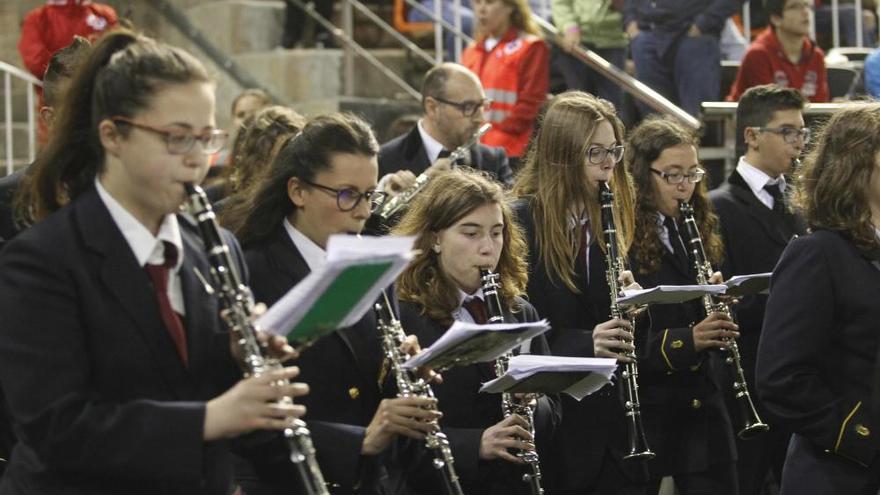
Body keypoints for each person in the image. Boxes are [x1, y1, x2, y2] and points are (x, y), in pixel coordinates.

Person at [0, 29, 311, 494]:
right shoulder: (41, 259)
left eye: (205, 139)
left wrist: (243, 366)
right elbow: (57, 428)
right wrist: (210, 418)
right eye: (176, 138)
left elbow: (211, 402)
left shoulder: (217, 249)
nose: (196, 161)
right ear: (113, 136)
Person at [233, 113, 441, 495]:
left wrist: (404, 374)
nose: (363, 212)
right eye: (347, 195)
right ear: (298, 192)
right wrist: (355, 441)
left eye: (369, 195)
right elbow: (242, 418)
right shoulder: (251, 271)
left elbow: (369, 390)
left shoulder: (369, 263)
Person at [392, 168, 560, 494]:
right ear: (435, 238)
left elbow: (553, 410)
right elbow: (396, 433)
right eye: (471, 234)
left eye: (496, 233)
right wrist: (475, 445)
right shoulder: (405, 317)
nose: (488, 248)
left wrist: (532, 401)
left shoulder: (519, 311)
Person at [511, 90, 646, 495]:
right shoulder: (520, 222)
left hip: (617, 428)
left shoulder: (611, 216)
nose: (608, 163)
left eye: (614, 150)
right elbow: (516, 330)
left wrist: (637, 305)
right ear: (562, 155)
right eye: (594, 152)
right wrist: (588, 343)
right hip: (561, 432)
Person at [756, 103, 880, 495]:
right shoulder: (818, 252)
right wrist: (862, 436)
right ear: (857, 164)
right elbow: (781, 379)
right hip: (840, 474)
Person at [625, 116, 739, 494]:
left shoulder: (697, 227)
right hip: (651, 408)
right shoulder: (619, 237)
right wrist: (689, 338)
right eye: (672, 175)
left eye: (692, 174)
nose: (685, 186)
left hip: (703, 406)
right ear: (643, 176)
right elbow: (630, 338)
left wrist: (720, 304)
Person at [709, 83, 809, 495]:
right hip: (747, 376)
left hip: (800, 378)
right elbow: (724, 298)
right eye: (787, 132)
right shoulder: (718, 205)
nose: (798, 143)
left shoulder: (801, 203)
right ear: (751, 135)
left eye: (802, 132)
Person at [0, 36, 91, 250]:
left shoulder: (135, 197)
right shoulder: (7, 199)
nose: (93, 119)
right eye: (78, 111)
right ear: (50, 118)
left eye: (100, 105)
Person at [378, 63, 514, 195]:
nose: (480, 118)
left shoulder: (493, 160)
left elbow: (513, 215)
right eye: (468, 107)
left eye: (482, 106)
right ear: (432, 108)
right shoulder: (385, 159)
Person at [463, 0, 549, 166]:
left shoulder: (530, 46)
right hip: (473, 147)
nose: (481, 9)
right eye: (477, 2)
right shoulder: (472, 50)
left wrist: (501, 131)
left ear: (510, 7)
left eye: (489, 2)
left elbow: (532, 100)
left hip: (512, 149)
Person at [624, 0, 741, 117]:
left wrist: (704, 23)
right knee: (654, 125)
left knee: (698, 120)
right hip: (648, 35)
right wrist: (631, 22)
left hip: (694, 38)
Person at [727, 0, 829, 103]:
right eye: (794, 7)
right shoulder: (758, 55)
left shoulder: (816, 56)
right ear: (776, 18)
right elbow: (768, 108)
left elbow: (821, 105)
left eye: (808, 6)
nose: (806, 12)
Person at [208, 105, 305, 207]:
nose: (288, 168)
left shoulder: (310, 207)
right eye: (278, 160)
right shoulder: (226, 212)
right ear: (257, 164)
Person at [552, 0, 629, 109]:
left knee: (611, 105)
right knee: (578, 103)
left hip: (613, 41)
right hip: (577, 43)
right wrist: (570, 27)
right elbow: (561, 3)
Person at [17, 0, 117, 81]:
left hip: (102, 96)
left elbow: (117, 52)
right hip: (57, 99)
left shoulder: (104, 14)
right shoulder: (38, 18)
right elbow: (36, 61)